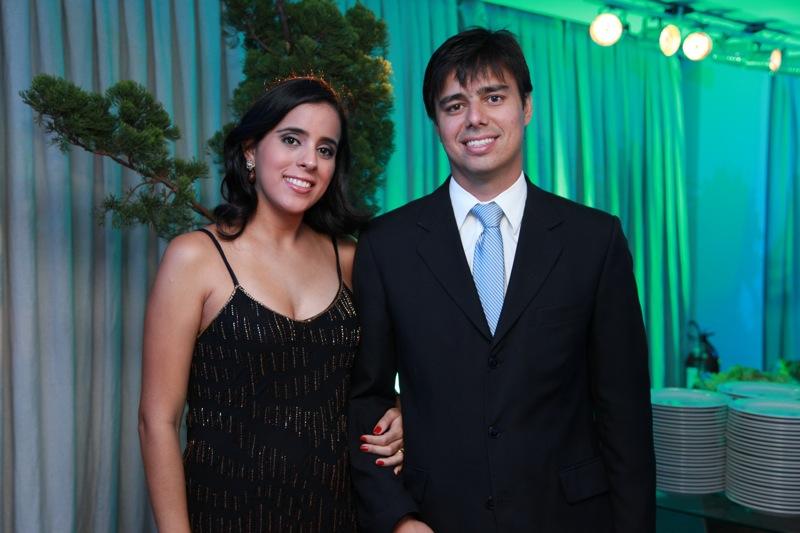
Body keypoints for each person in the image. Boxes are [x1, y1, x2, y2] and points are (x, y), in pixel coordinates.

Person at [348, 28, 655, 533]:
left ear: (526, 106)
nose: (475, 118)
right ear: (436, 122)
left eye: (494, 97)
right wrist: (397, 518)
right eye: (454, 105)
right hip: (436, 518)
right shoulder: (387, 245)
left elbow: (625, 415)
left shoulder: (594, 240)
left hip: (569, 518)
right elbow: (366, 399)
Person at [138, 76, 404, 533]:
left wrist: (399, 414)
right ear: (250, 150)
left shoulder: (349, 259)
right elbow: (156, 420)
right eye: (291, 139)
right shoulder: (195, 258)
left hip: (338, 518)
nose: (309, 161)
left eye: (325, 149)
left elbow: (368, 384)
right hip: (224, 518)